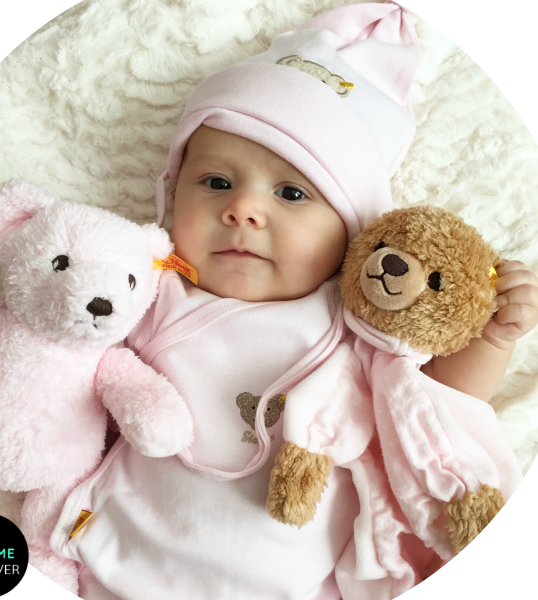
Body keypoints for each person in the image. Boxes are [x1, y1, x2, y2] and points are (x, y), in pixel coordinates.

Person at [49, 2, 538, 599]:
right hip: (119, 560)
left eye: (291, 193)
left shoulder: (359, 319)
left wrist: (493, 338)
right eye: (216, 183)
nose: (243, 209)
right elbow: (66, 370)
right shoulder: (151, 292)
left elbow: (435, 402)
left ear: (352, 229)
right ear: (172, 197)